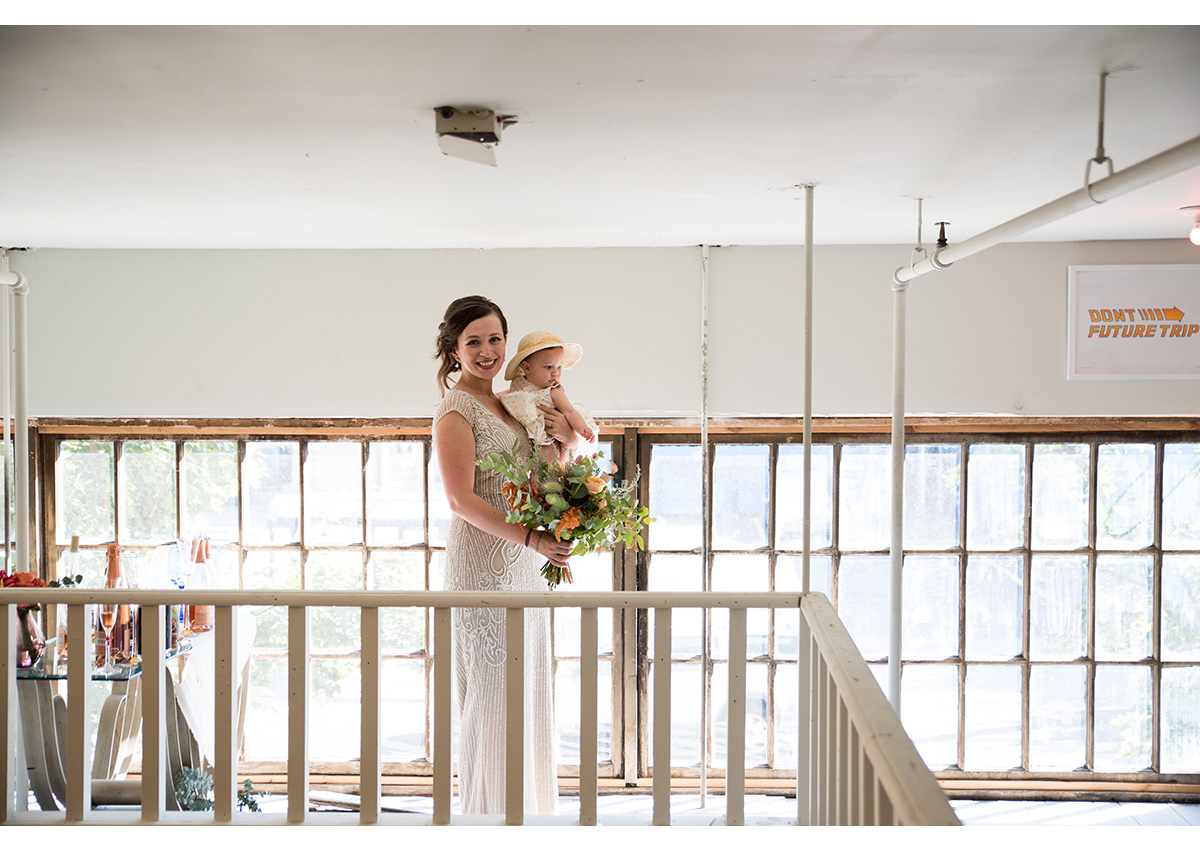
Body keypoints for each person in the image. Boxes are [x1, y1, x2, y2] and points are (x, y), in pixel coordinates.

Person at [432, 295, 574, 816]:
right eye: (474, 342)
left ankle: (529, 820)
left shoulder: (513, 403)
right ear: (454, 351)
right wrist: (534, 539)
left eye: (495, 339)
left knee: (527, 694)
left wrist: (563, 444)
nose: (488, 351)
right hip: (481, 566)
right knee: (492, 701)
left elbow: (539, 480)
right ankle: (488, 823)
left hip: (523, 568)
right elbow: (459, 498)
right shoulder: (456, 410)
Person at [500, 331, 597, 462]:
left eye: (559, 366)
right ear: (527, 368)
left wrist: (582, 428)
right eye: (548, 367)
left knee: (545, 462)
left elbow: (569, 411)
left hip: (549, 435)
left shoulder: (554, 391)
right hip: (527, 432)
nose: (555, 373)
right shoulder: (518, 385)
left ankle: (541, 481)